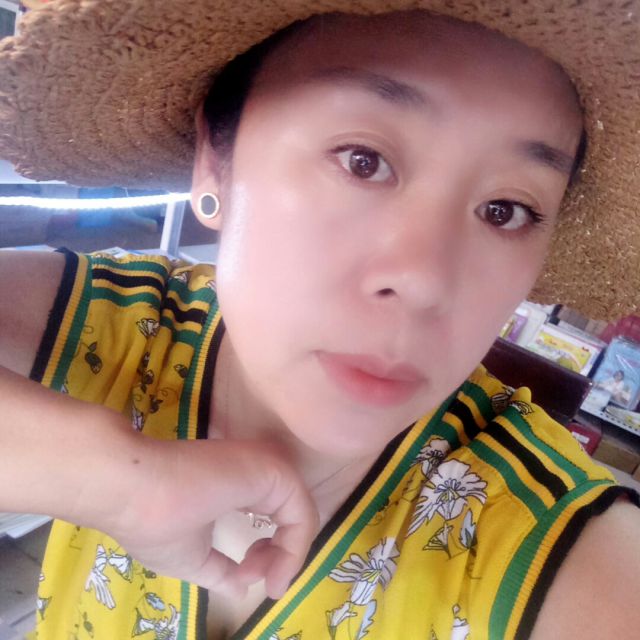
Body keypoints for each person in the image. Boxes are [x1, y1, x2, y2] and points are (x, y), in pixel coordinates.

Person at [0, 1, 639, 639]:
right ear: (215, 161)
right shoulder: (124, 329)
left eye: (506, 210)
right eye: (363, 160)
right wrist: (113, 480)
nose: (425, 281)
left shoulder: (547, 543)